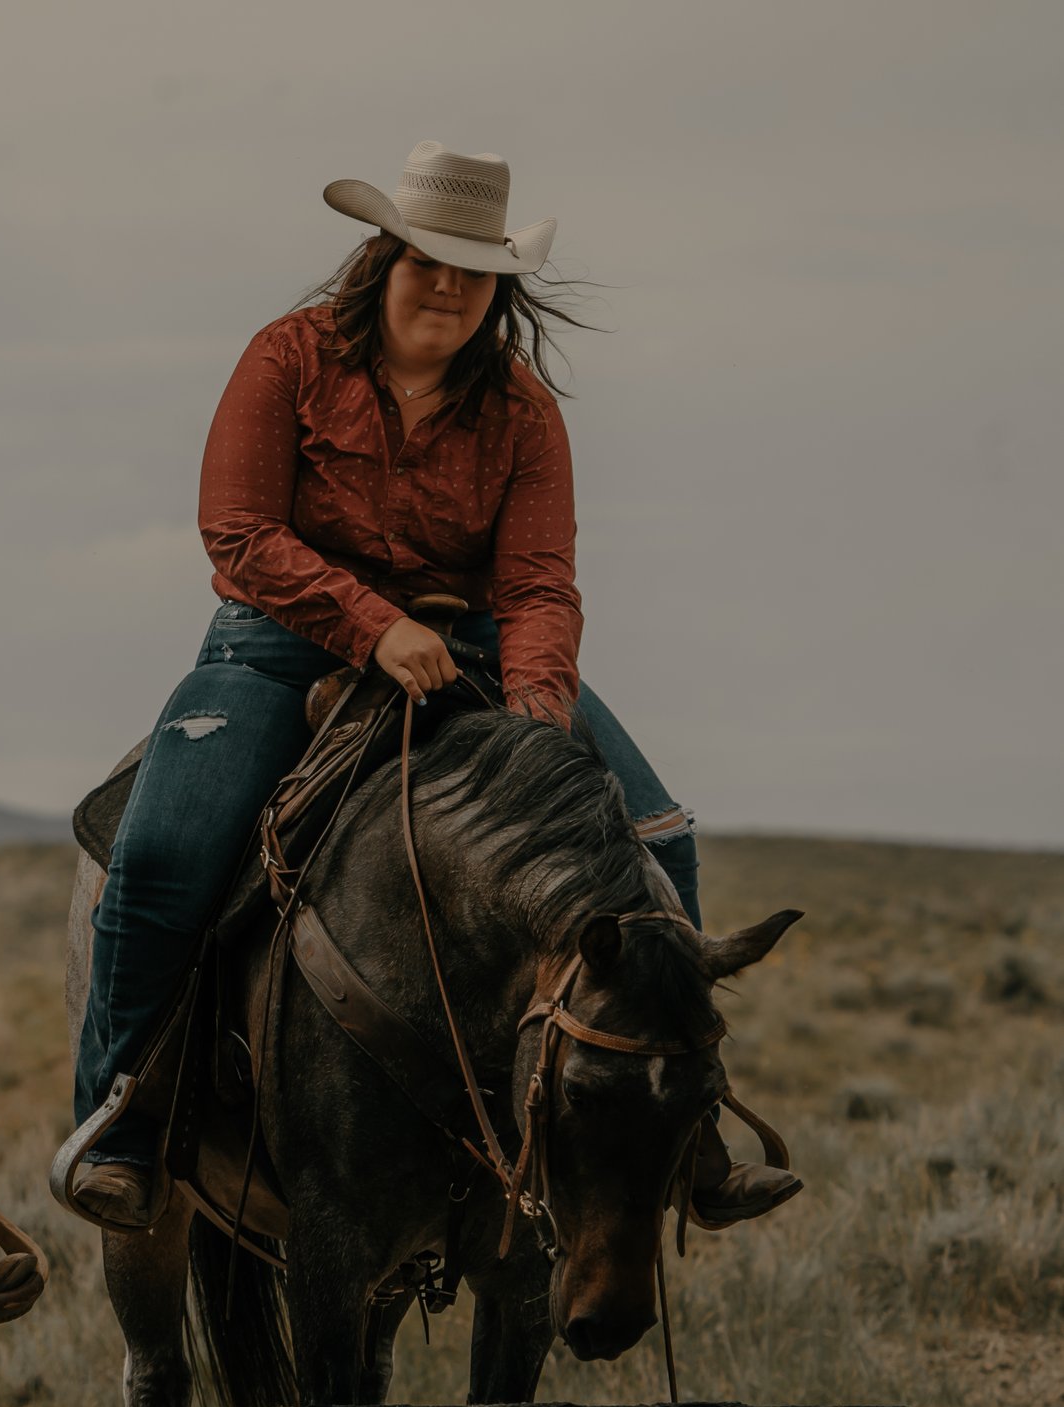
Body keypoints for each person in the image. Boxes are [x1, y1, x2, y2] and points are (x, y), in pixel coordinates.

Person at [67, 142, 803, 1229]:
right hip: (275, 642)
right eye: (426, 260)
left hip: (481, 648)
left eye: (472, 269)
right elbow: (238, 530)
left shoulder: (520, 411)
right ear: (383, 256)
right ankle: (118, 1117)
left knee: (662, 836)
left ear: (496, 287)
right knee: (166, 850)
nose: (447, 286)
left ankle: (685, 1133)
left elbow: (541, 583)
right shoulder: (288, 357)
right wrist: (371, 626)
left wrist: (538, 712)